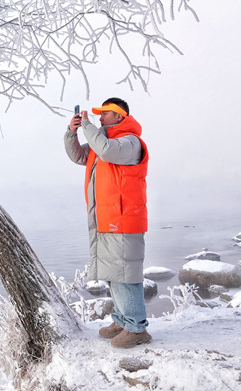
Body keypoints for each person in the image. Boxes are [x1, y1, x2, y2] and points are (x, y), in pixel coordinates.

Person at [64, 97, 151, 349]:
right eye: (98, 114)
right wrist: (72, 132)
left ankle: (137, 329)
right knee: (114, 274)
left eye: (105, 113)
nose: (100, 117)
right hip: (107, 219)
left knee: (126, 275)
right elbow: (78, 155)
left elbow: (106, 150)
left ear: (119, 116)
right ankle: (123, 321)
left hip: (124, 220)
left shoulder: (130, 143)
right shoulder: (103, 142)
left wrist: (89, 127)